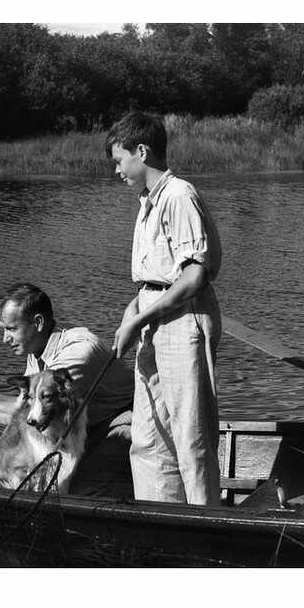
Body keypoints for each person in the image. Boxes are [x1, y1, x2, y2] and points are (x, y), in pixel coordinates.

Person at [105, 110, 223, 506]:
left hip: (183, 320)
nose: (117, 170)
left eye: (120, 160)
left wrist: (141, 316)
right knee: (149, 434)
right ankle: (160, 520)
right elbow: (155, 275)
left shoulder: (178, 196)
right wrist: (133, 311)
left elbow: (194, 278)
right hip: (153, 316)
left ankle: (204, 523)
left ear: (142, 151)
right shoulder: (147, 203)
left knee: (190, 435)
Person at [0, 283, 134, 456]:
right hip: (86, 427)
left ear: (37, 322)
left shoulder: (74, 354)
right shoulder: (37, 346)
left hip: (122, 422)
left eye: (11, 329)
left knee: (84, 487)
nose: (4, 339)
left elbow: (27, 419)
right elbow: (28, 407)